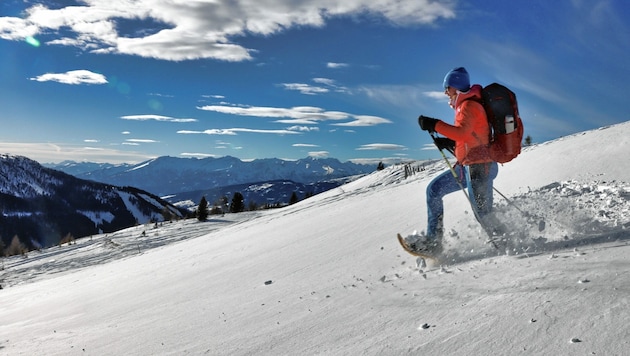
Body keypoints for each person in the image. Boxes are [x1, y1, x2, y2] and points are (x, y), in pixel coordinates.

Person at [410, 67, 498, 254]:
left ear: (456, 87)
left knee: (483, 214)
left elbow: (462, 132)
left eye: (447, 88)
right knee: (433, 191)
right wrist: (449, 142)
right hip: (468, 167)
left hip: (479, 168)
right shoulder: (465, 106)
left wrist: (434, 124)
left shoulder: (469, 106)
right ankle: (434, 243)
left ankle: (510, 243)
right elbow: (470, 136)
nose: (445, 92)